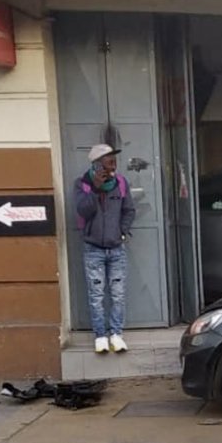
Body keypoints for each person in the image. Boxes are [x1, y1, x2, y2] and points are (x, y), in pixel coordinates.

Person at [75, 144, 136, 354]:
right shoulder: (82, 184)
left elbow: (129, 210)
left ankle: (116, 334)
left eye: (114, 160)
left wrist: (122, 231)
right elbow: (83, 211)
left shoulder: (120, 183)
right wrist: (95, 189)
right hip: (93, 249)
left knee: (118, 294)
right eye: (109, 161)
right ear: (97, 164)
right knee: (96, 295)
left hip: (116, 249)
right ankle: (100, 336)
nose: (113, 164)